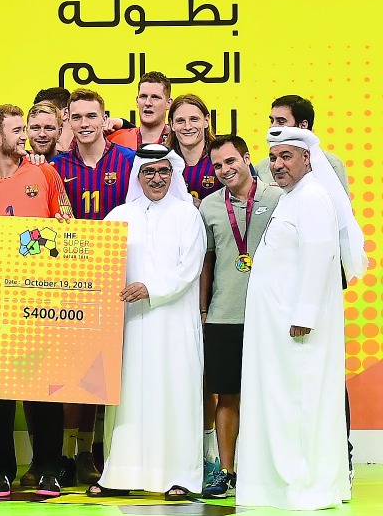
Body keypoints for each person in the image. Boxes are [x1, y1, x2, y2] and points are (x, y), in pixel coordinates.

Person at [237, 127, 366, 510]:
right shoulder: (292, 198)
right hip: (276, 331)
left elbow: (319, 256)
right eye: (274, 159)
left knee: (300, 405)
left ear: (308, 159)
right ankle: (282, 484)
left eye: (287, 157)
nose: (277, 166)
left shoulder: (312, 198)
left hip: (296, 331)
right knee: (283, 405)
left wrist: (304, 315)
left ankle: (305, 486)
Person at [0, 105, 71, 498]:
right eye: (16, 129)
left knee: (45, 386)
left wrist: (63, 226)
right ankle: (0, 469)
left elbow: (68, 224)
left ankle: (48, 468)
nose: (24, 135)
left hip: (40, 297)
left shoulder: (45, 173)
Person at [91, 146, 204, 501]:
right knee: (129, 400)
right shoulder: (119, 216)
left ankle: (181, 477)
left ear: (172, 175)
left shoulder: (188, 215)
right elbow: (99, 264)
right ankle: (121, 474)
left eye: (163, 172)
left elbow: (190, 269)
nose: (157, 179)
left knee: (176, 397)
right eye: (149, 172)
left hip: (174, 325)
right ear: (138, 177)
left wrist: (150, 288)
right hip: (131, 327)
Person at [50, 88, 135, 485]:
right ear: (68, 120)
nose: (85, 124)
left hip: (120, 279)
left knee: (107, 370)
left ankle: (93, 451)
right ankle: (71, 453)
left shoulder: (130, 162)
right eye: (77, 117)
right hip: (73, 282)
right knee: (74, 370)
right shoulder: (55, 166)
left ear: (105, 119)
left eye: (92, 117)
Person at [197, 135, 282, 498]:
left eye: (231, 161)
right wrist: (203, 311)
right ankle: (226, 471)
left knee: (271, 396)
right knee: (227, 396)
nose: (225, 170)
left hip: (270, 317)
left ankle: (267, 470)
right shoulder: (210, 207)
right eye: (217, 166)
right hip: (224, 315)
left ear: (247, 159)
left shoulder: (279, 199)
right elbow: (207, 263)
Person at [253, 95, 349, 192]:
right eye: (272, 121)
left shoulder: (331, 164)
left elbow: (339, 204)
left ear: (303, 125)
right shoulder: (262, 167)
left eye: (281, 121)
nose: (272, 127)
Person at [166, 94, 221, 205]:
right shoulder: (163, 161)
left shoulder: (224, 156)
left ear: (206, 120)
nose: (187, 127)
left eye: (194, 119)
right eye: (180, 121)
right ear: (172, 124)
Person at [108, 72, 173, 149]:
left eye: (155, 97)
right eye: (143, 96)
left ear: (168, 103)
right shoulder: (115, 140)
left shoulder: (179, 141)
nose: (148, 103)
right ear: (137, 101)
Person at [32, 88, 74, 153]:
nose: (39, 116)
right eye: (37, 111)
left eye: (46, 110)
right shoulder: (33, 155)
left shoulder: (87, 147)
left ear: (66, 113)